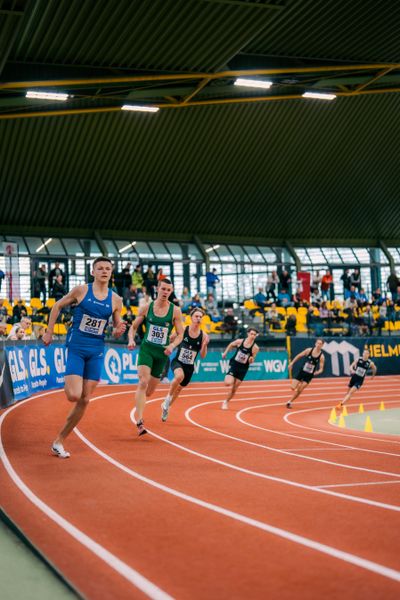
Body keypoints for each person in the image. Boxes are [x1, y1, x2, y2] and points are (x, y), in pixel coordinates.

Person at [42, 257, 126, 458]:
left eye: (108, 268)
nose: (104, 271)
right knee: (73, 395)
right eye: (100, 268)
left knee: (85, 399)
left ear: (111, 272)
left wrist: (118, 331)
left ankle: (59, 441)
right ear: (93, 272)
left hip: (96, 350)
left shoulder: (116, 300)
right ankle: (71, 378)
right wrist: (49, 332)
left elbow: (116, 326)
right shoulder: (81, 290)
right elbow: (57, 307)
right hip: (77, 347)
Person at [128, 278, 184, 436]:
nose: (165, 292)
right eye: (163, 289)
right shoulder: (147, 307)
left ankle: (140, 402)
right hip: (147, 349)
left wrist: (172, 346)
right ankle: (139, 421)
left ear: (171, 292)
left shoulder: (175, 311)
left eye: (168, 290)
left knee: (149, 391)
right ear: (157, 289)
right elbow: (133, 327)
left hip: (162, 354)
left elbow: (180, 334)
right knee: (143, 381)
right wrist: (131, 339)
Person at [161, 308, 209, 422]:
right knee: (179, 376)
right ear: (191, 318)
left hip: (189, 366)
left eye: (200, 317)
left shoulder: (204, 336)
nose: (198, 318)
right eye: (196, 316)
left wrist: (204, 345)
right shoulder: (183, 330)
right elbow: (170, 338)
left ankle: (166, 408)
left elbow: (202, 356)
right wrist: (168, 344)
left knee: (179, 390)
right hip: (178, 361)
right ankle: (167, 398)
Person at [221, 328, 259, 409]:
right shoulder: (240, 341)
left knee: (234, 389)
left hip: (243, 369)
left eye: (254, 335)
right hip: (234, 365)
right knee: (228, 383)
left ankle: (226, 402)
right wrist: (225, 353)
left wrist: (251, 359)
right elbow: (231, 344)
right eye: (251, 334)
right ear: (248, 334)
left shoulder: (255, 348)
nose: (252, 336)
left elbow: (252, 359)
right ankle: (229, 376)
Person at [286, 338, 325, 408]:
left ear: (322, 345)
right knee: (292, 388)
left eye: (320, 344)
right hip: (302, 372)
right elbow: (298, 356)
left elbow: (321, 369)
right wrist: (292, 363)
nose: (318, 345)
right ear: (315, 343)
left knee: (300, 390)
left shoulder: (321, 356)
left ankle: (289, 402)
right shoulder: (309, 350)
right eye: (318, 343)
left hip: (309, 375)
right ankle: (298, 384)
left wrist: (317, 372)